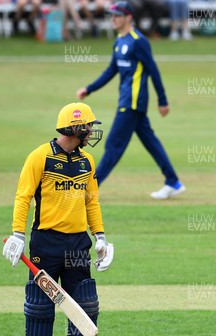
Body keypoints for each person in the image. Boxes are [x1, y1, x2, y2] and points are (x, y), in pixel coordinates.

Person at [2, 102, 114, 336]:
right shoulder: (39, 157)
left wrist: (100, 237)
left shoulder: (86, 161)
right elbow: (23, 196)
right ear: (76, 128)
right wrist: (18, 234)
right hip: (46, 243)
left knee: (85, 304)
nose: (91, 131)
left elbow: (92, 201)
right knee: (40, 305)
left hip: (78, 244)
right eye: (88, 126)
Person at [76, 1, 185, 200]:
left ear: (128, 17)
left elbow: (153, 70)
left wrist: (163, 100)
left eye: (117, 15)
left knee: (113, 145)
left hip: (133, 103)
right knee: (151, 143)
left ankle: (91, 188)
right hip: (127, 102)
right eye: (112, 15)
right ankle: (173, 182)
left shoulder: (138, 41)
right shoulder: (119, 41)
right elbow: (111, 70)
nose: (113, 19)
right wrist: (89, 89)